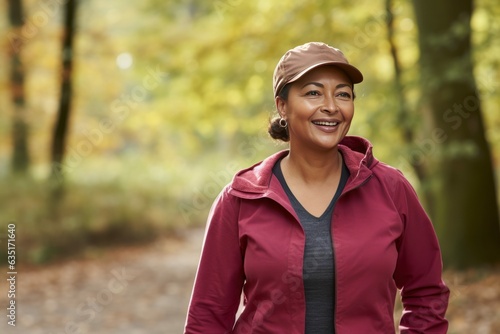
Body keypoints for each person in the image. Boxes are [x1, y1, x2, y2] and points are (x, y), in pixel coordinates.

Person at [184, 41, 449, 333]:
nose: (331, 106)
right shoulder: (240, 199)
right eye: (313, 93)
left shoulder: (390, 188)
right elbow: (208, 314)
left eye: (343, 94)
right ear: (282, 105)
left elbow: (426, 293)